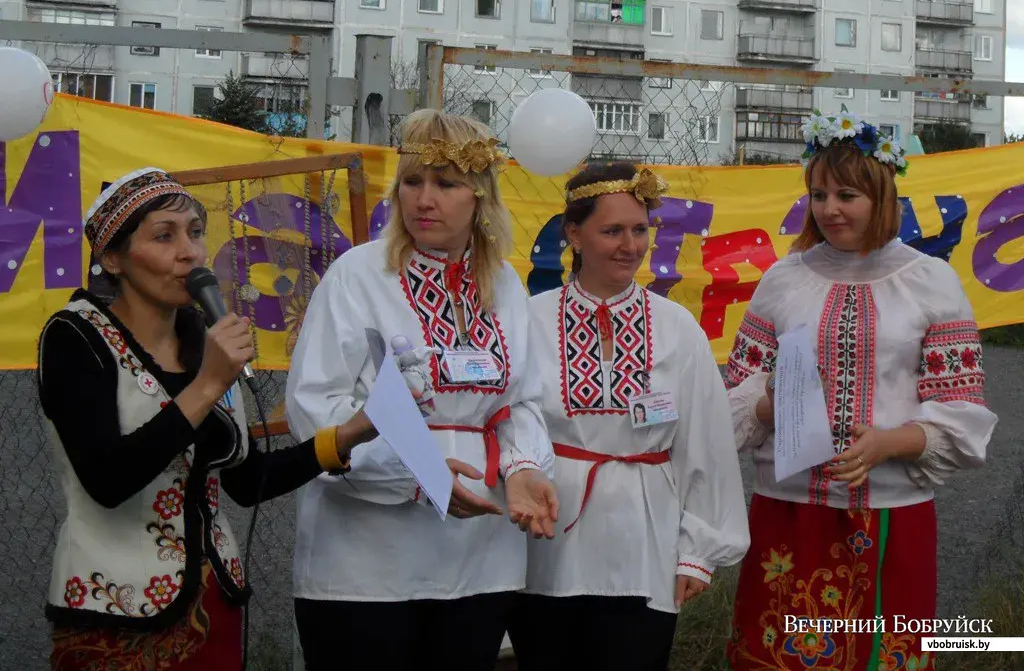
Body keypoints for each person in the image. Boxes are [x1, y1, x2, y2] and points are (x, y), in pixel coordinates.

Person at [36, 168, 379, 670]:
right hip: (113, 612)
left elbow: (244, 481)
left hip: (216, 602)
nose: (191, 252)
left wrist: (349, 435)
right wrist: (210, 384)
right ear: (113, 259)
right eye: (164, 236)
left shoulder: (203, 340)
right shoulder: (75, 338)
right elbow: (107, 480)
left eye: (195, 232)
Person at [284, 109, 559, 670]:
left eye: (446, 183)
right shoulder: (357, 275)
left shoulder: (504, 283)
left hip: (480, 557)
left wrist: (526, 466)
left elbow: (520, 400)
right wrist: (420, 477)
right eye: (412, 181)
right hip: (367, 563)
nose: (423, 199)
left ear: (480, 196)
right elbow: (316, 406)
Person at [724, 110, 998, 670]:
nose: (828, 209)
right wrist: (769, 406)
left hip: (891, 512)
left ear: (882, 195)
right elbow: (737, 390)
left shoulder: (929, 280)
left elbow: (961, 406)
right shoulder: (785, 278)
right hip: (789, 509)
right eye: (818, 194)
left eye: (846, 194)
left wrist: (889, 442)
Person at [507, 161, 750, 670]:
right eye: (612, 230)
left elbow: (704, 441)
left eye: (640, 230)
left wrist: (698, 551)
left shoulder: (676, 327)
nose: (630, 246)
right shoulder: (529, 320)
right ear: (574, 233)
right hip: (551, 540)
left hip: (646, 543)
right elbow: (507, 422)